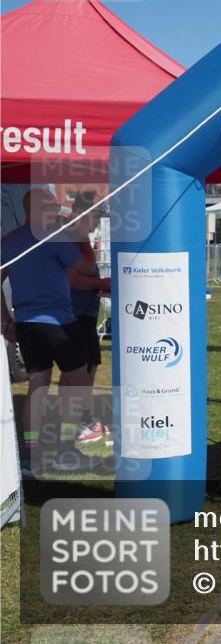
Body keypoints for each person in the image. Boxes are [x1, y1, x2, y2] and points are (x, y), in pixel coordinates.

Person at [0, 190, 99, 469]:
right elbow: (88, 267)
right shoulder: (55, 237)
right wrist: (83, 238)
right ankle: (66, 449)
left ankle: (31, 455)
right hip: (60, 323)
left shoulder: (9, 241)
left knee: (37, 386)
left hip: (27, 324)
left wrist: (6, 320)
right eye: (53, 206)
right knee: (77, 384)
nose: (57, 211)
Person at [66, 194, 112, 444]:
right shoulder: (72, 238)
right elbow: (73, 279)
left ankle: (75, 422)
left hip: (83, 312)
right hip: (77, 313)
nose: (97, 221)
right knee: (83, 369)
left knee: (82, 367)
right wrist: (102, 283)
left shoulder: (79, 237)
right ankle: (82, 424)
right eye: (96, 215)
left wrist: (99, 285)